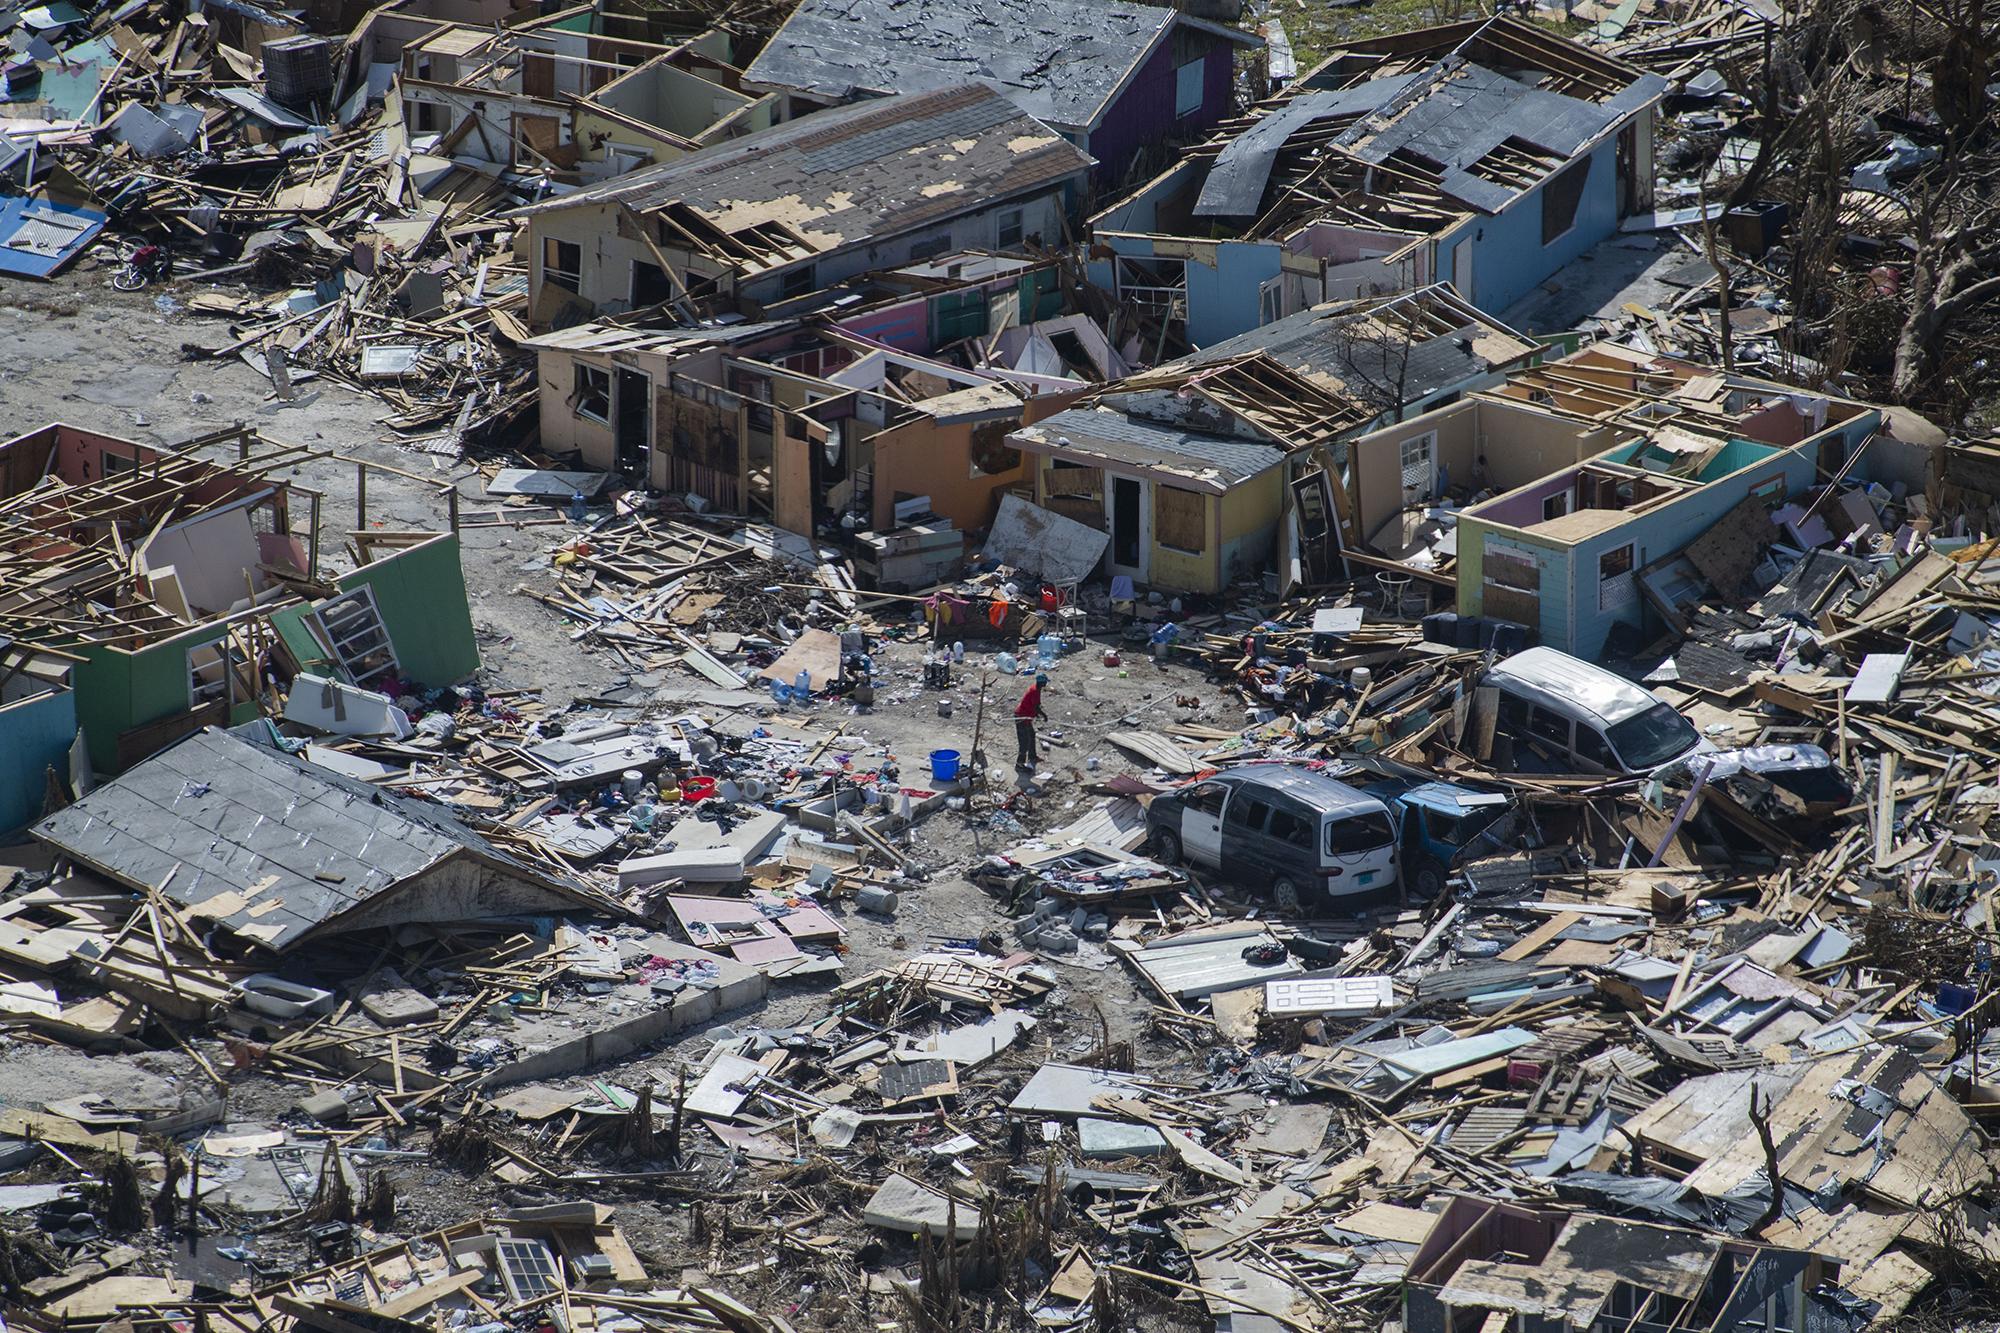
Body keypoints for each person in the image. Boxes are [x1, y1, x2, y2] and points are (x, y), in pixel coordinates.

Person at [1014, 673, 1047, 768]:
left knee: (1031, 735)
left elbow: (1034, 705)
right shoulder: (1034, 690)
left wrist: (1035, 714)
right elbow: (1036, 707)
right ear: (1042, 683)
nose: (1045, 684)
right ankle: (1019, 763)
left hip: (1026, 717)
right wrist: (1044, 715)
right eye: (1044, 682)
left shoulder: (1037, 689)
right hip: (1021, 717)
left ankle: (1032, 756)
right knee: (1024, 741)